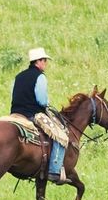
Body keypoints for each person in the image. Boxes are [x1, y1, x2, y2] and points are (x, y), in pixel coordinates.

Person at [10, 47, 70, 184]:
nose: (46, 64)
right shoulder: (40, 77)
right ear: (38, 61)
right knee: (61, 135)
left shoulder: (18, 76)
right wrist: (47, 104)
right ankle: (54, 171)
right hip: (32, 114)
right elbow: (42, 100)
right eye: (44, 61)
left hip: (15, 113)